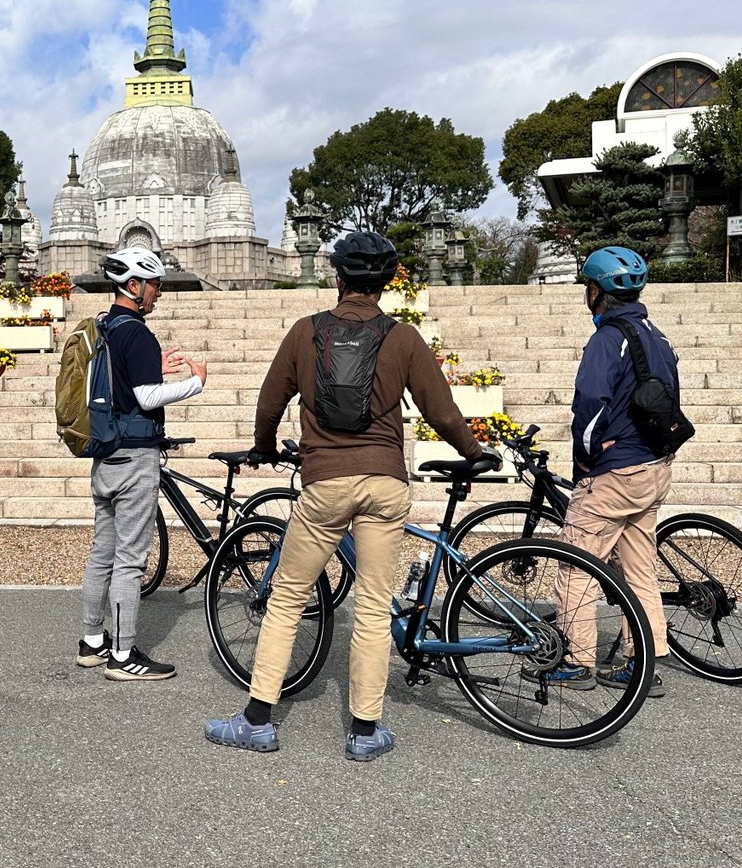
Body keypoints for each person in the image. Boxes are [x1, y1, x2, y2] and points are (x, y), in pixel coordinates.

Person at [205, 231, 484, 761]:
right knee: (375, 607)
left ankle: (257, 721)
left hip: (326, 482)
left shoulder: (305, 332)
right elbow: (441, 410)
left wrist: (264, 447)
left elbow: (269, 403)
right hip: (385, 482)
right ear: (385, 283)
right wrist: (472, 450)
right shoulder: (403, 338)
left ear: (337, 278)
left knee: (287, 598)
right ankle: (364, 731)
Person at [551, 245, 679, 698]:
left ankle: (576, 660)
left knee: (576, 565)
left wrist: (586, 454)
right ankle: (643, 661)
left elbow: (589, 402)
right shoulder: (656, 336)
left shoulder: (608, 338)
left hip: (615, 471)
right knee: (638, 568)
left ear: (596, 292)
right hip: (653, 466)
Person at [75, 246, 207, 682]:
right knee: (130, 560)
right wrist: (195, 383)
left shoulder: (105, 326)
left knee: (102, 553)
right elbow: (147, 397)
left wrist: (155, 368)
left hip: (105, 454)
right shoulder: (138, 333)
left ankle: (92, 642)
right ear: (134, 285)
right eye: (155, 285)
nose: (159, 293)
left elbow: (125, 382)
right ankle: (123, 655)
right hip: (135, 456)